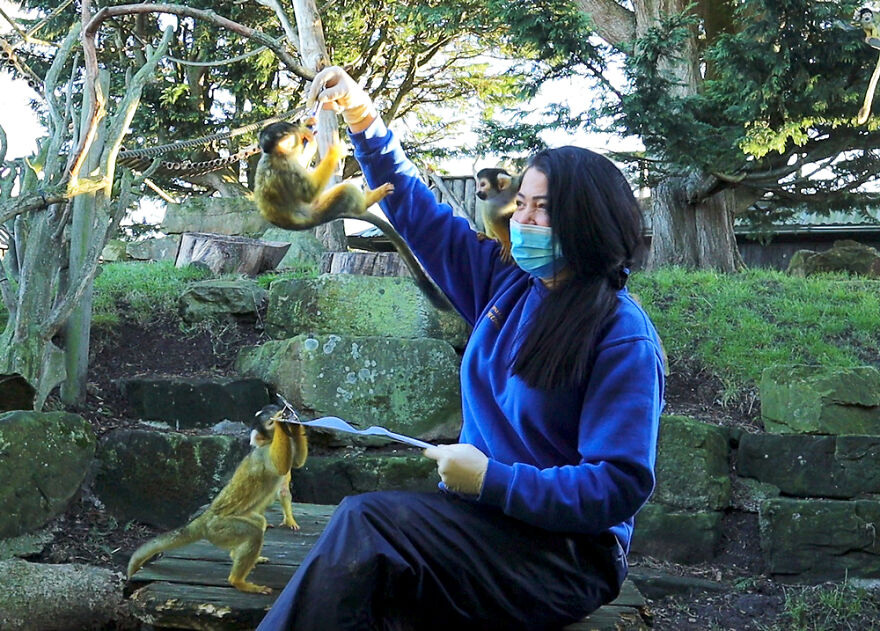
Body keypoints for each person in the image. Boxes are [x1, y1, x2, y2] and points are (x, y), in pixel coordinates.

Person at [256, 66, 665, 631]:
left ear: (587, 220)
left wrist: (494, 479)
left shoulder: (622, 335)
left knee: (366, 524)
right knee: (370, 590)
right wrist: (362, 116)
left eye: (542, 208)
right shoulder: (507, 284)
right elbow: (418, 213)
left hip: (567, 558)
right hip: (484, 522)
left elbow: (617, 485)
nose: (522, 218)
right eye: (521, 203)